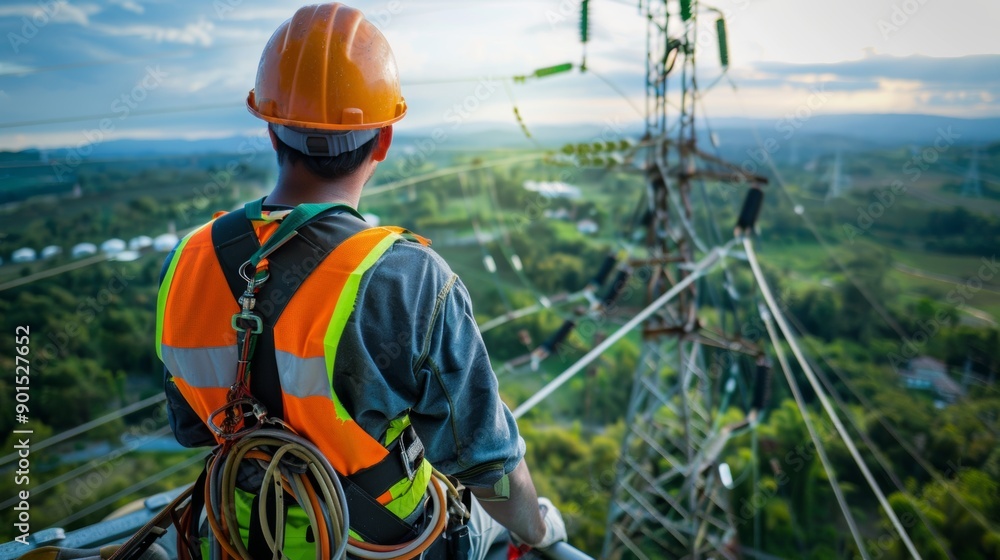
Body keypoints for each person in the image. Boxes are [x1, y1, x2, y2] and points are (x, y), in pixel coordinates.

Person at [155, 3, 566, 559]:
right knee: (511, 531)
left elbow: (192, 428)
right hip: (383, 545)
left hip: (236, 535)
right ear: (383, 142)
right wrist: (537, 529)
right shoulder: (409, 278)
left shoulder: (187, 261)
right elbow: (487, 465)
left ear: (273, 133)